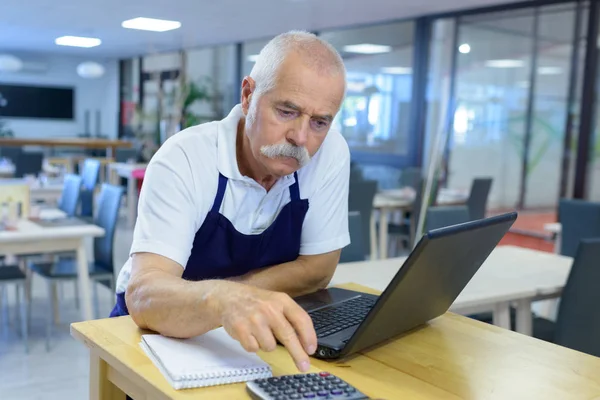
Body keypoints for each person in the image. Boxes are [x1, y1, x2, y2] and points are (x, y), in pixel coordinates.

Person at [110, 31, 350, 373]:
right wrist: (225, 302)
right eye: (286, 111)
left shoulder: (330, 152)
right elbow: (146, 295)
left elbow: (318, 270)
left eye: (319, 122)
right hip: (152, 332)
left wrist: (241, 300)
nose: (300, 137)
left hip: (250, 331)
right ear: (249, 95)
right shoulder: (184, 159)